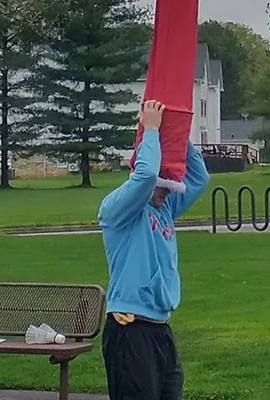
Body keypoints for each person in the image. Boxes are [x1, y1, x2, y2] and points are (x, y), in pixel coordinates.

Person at [97, 100, 210, 400]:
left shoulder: (164, 209)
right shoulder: (118, 210)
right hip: (129, 330)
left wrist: (174, 133)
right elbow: (145, 176)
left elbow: (199, 178)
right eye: (164, 185)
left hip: (161, 329)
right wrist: (151, 129)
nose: (168, 191)